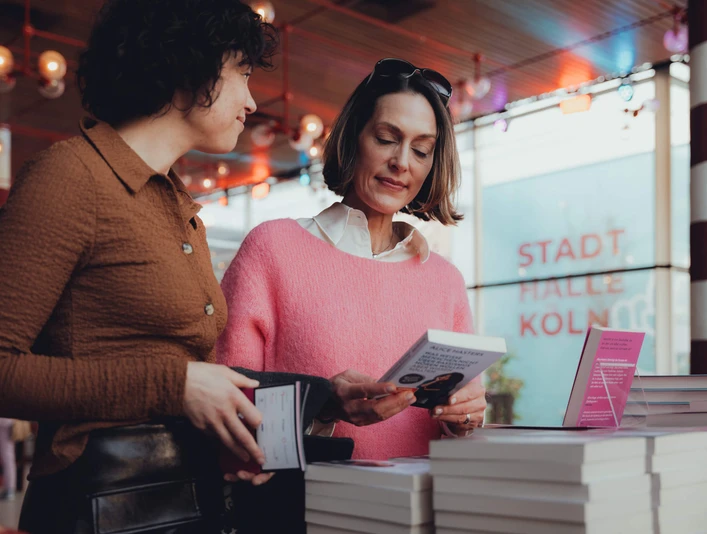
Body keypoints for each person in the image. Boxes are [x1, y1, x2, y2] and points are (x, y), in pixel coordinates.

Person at [0, 1, 277, 532]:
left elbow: (189, 372)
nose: (251, 100)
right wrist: (171, 386)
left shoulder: (177, 206)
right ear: (185, 69)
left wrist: (330, 397)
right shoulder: (70, 178)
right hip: (100, 504)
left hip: (186, 496)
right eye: (241, 74)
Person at [218, 58, 487, 461]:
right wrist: (323, 406)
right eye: (385, 138)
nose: (402, 162)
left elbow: (462, 417)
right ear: (353, 137)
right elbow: (226, 402)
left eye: (421, 149)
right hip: (302, 509)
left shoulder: (445, 279)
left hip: (419, 512)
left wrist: (464, 417)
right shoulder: (272, 248)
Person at [0, 419, 15, 501]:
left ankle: (9, 489)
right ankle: (9, 488)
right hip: (6, 420)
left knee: (7, 455)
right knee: (7, 455)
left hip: (4, 421)